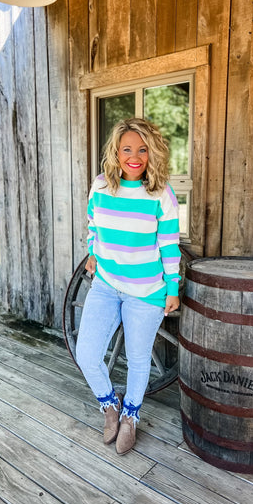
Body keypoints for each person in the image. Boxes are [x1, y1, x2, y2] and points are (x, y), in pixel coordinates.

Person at [76, 117, 181, 455]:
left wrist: (173, 288)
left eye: (142, 150)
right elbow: (93, 224)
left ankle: (131, 416)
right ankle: (110, 405)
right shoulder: (101, 186)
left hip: (147, 292)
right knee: (87, 355)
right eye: (127, 149)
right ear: (116, 152)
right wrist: (93, 252)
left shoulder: (161, 194)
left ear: (153, 153)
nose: (134, 157)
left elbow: (169, 245)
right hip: (106, 285)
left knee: (138, 360)